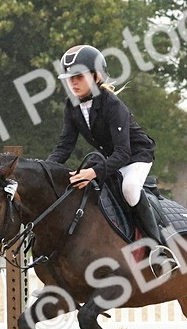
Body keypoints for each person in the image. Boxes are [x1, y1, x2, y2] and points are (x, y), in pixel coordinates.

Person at [46, 44, 177, 272]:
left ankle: (159, 249)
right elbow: (65, 146)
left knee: (129, 189)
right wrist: (44, 169)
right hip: (111, 157)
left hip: (136, 156)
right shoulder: (72, 106)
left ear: (96, 77)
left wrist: (94, 172)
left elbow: (123, 153)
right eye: (69, 78)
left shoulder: (113, 105)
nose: (73, 83)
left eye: (78, 77)